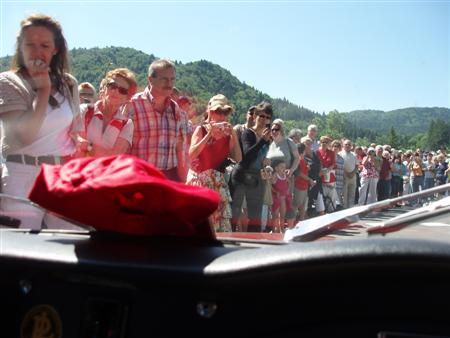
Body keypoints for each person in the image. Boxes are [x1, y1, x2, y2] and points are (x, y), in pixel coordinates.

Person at [0, 13, 81, 229]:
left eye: (44, 45)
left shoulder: (68, 83)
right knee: (21, 248)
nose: (37, 52)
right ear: (20, 47)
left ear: (55, 49)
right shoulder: (8, 82)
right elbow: (25, 135)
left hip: (61, 175)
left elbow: (74, 133)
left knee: (68, 244)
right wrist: (43, 90)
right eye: (30, 45)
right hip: (21, 173)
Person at [186, 94, 241, 232]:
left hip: (218, 184)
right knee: (200, 226)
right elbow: (191, 154)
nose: (222, 116)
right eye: (218, 111)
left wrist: (233, 135)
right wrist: (209, 135)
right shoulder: (201, 129)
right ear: (210, 112)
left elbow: (238, 159)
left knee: (221, 229)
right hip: (200, 183)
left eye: (225, 112)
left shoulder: (228, 134)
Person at [128, 59, 188, 182]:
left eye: (172, 79)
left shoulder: (175, 108)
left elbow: (179, 149)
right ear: (150, 79)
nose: (169, 83)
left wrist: (184, 182)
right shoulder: (132, 105)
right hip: (140, 177)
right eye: (164, 79)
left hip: (170, 179)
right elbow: (125, 148)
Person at [230, 101, 272, 232]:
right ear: (255, 116)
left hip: (256, 178)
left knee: (255, 217)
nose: (264, 119)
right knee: (234, 214)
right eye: (261, 116)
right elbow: (246, 157)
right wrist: (262, 142)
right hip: (241, 176)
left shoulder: (267, 138)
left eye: (267, 117)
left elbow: (261, 157)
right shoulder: (247, 133)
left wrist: (266, 163)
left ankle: (253, 248)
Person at [77, 68, 137, 157]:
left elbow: (114, 156)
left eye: (122, 90)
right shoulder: (84, 110)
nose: (116, 91)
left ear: (127, 98)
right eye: (112, 86)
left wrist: (88, 146)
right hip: (79, 169)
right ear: (103, 88)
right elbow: (76, 145)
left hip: (106, 170)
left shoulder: (127, 124)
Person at [270, 160, 293, 233]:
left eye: (284, 167)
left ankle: (282, 229)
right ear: (276, 168)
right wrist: (275, 191)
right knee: (275, 215)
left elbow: (289, 183)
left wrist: (288, 190)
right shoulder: (275, 175)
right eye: (282, 167)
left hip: (283, 198)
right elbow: (270, 185)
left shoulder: (285, 176)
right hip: (276, 198)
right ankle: (274, 230)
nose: (284, 168)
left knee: (282, 215)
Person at [339, 139, 358, 209]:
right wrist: (346, 173)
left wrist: (353, 173)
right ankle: (344, 210)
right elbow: (340, 165)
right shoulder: (340, 154)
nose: (347, 146)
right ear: (343, 145)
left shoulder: (354, 154)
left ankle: (351, 210)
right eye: (346, 144)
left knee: (352, 194)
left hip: (353, 177)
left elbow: (357, 165)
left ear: (351, 146)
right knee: (344, 195)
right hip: (344, 176)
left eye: (349, 144)